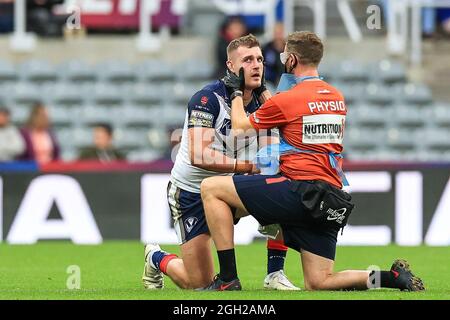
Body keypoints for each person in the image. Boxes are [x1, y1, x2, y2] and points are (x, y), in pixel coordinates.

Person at [198, 31, 425, 292]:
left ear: (292, 60)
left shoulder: (289, 98)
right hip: (329, 198)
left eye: (285, 57)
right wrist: (266, 96)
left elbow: (240, 127)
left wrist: (236, 91)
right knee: (320, 282)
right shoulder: (336, 97)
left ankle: (227, 278)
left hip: (298, 192)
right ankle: (391, 278)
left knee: (212, 189)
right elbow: (295, 119)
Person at [142, 34, 299, 291]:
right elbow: (200, 155)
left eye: (259, 59)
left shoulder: (264, 102)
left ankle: (275, 273)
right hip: (191, 191)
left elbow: (270, 156)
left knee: (283, 185)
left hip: (231, 189)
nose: (256, 65)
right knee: (196, 282)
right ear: (230, 66)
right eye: (247, 60)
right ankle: (155, 257)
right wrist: (247, 168)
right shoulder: (206, 99)